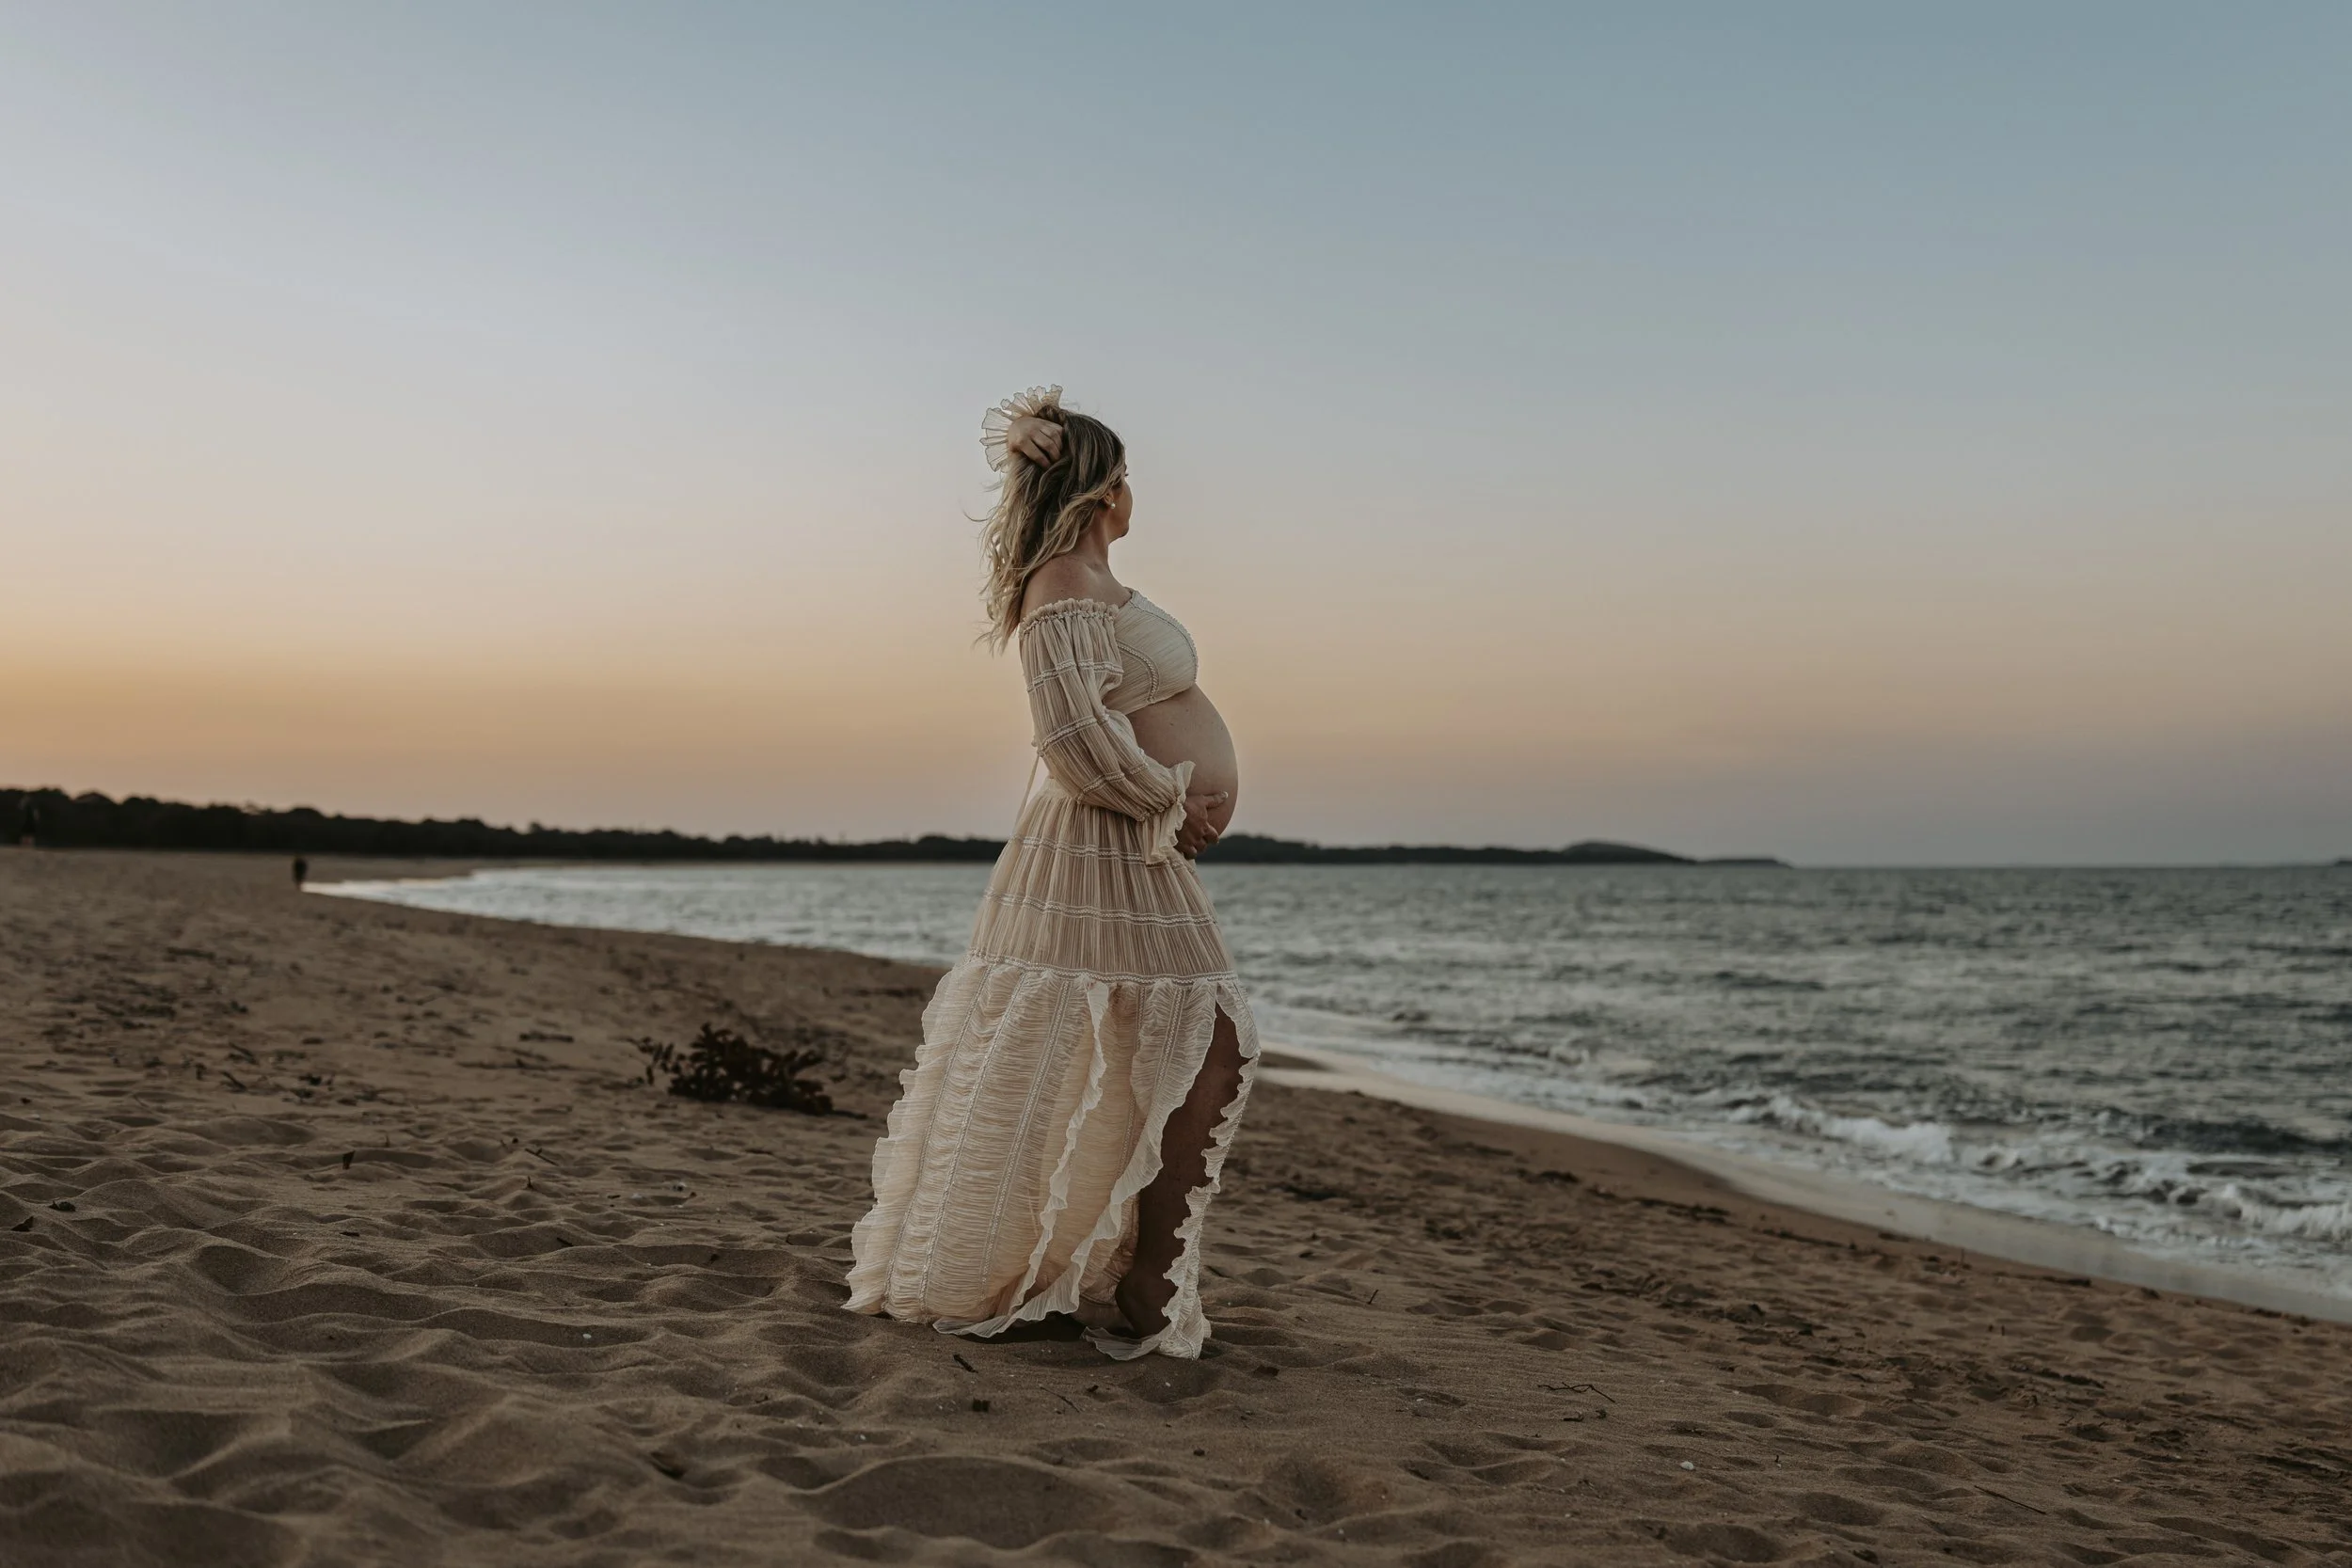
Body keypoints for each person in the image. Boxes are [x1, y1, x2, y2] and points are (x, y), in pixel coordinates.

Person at [847, 388, 1255, 1359]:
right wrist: (1167, 797)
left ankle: (1129, 1267)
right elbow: (1070, 737)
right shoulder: (1061, 582)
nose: (1133, 489)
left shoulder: (1089, 581)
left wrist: (1170, 800)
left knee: (1134, 1038)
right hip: (1102, 839)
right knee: (1201, 1034)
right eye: (1125, 473)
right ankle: (1145, 1276)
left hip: (1126, 842)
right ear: (1103, 485)